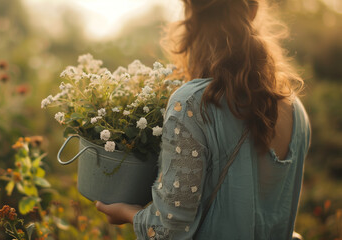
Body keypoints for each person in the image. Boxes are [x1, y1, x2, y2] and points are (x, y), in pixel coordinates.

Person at [96, 0, 311, 239]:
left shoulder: (192, 104)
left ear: (191, 17)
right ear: (253, 10)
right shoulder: (296, 110)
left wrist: (128, 213)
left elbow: (167, 229)